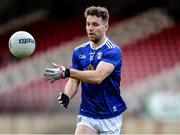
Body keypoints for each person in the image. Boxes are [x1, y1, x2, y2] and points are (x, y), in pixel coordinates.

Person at [44, 6, 127, 135]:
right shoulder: (79, 51)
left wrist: (67, 72)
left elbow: (98, 77)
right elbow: (74, 80)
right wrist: (67, 95)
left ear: (106, 27)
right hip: (88, 113)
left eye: (95, 24)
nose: (90, 28)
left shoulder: (113, 50)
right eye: (88, 24)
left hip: (110, 115)